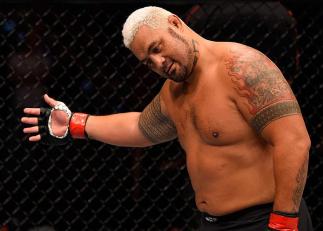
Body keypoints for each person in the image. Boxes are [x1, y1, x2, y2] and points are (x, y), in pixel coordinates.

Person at [21, 6, 313, 231]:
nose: (159, 64)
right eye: (149, 62)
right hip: (212, 223)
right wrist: (75, 123)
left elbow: (294, 140)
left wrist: (284, 222)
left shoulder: (241, 67)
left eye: (157, 48)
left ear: (175, 23)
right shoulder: (173, 93)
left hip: (264, 220)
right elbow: (141, 127)